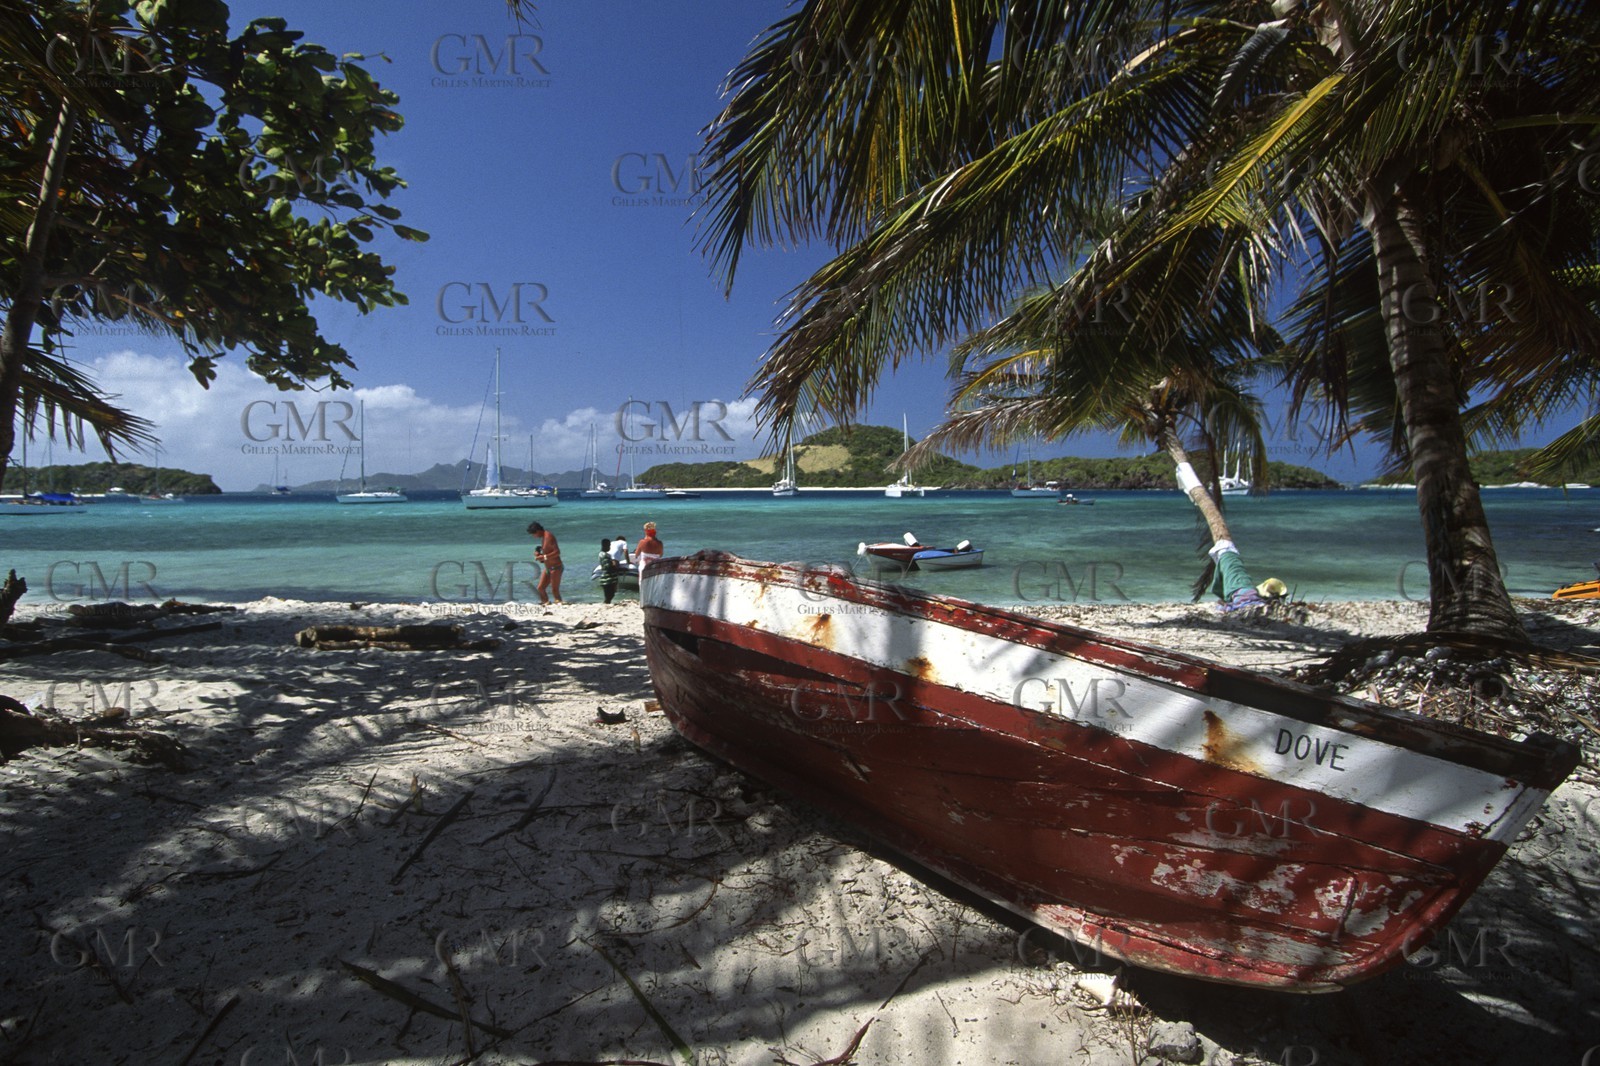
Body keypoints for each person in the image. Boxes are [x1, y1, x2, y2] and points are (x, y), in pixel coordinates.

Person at [528, 521, 563, 604]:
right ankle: (545, 602)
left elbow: (557, 552)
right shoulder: (544, 537)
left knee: (555, 590)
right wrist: (539, 554)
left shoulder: (548, 536)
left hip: (556, 567)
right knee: (540, 588)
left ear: (538, 531)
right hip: (548, 568)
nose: (534, 536)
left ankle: (558, 602)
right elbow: (547, 551)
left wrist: (543, 557)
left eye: (534, 534)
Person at [596, 538, 619, 604]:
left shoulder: (601, 554)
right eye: (609, 545)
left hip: (606, 578)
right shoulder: (605, 555)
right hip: (607, 579)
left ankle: (606, 603)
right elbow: (608, 567)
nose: (609, 547)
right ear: (605, 545)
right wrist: (614, 566)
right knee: (609, 595)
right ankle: (606, 603)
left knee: (609, 595)